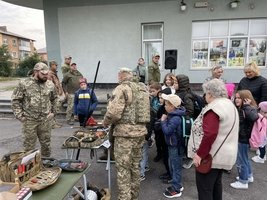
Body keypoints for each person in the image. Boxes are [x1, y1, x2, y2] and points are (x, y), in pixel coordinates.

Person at [187, 79, 239, 200]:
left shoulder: (214, 107)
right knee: (215, 186)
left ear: (210, 93)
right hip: (223, 154)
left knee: (205, 190)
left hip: (210, 156)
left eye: (205, 94)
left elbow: (210, 134)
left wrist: (199, 154)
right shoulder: (229, 104)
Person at [103, 68, 149, 200]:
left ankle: (124, 198)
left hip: (124, 136)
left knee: (123, 169)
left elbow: (114, 113)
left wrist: (105, 122)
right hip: (140, 134)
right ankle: (134, 197)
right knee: (135, 167)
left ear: (121, 76)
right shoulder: (143, 89)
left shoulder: (122, 88)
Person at [11, 62, 58, 157]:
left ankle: (46, 165)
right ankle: (30, 169)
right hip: (29, 121)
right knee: (29, 147)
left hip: (45, 120)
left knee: (46, 145)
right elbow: (15, 100)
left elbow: (55, 98)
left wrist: (53, 112)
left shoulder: (50, 84)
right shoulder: (24, 84)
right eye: (43, 74)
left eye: (47, 74)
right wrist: (20, 116)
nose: (46, 76)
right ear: (36, 72)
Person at [230, 90, 258, 189]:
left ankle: (243, 181)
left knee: (241, 160)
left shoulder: (248, 109)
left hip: (243, 139)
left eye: (239, 98)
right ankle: (249, 175)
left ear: (246, 99)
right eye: (236, 97)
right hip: (243, 138)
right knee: (245, 158)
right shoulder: (243, 108)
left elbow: (254, 117)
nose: (237, 100)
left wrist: (246, 106)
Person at [160, 94, 186, 198]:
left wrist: (163, 121)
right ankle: (177, 184)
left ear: (172, 106)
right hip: (173, 145)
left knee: (176, 167)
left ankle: (176, 189)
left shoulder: (175, 118)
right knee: (174, 166)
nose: (165, 106)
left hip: (175, 146)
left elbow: (167, 131)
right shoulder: (173, 115)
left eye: (166, 104)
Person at [175, 74, 195, 169]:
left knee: (185, 142)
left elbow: (190, 111)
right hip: (179, 122)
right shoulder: (178, 93)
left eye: (176, 82)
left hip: (183, 124)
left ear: (181, 84)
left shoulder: (186, 95)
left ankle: (189, 159)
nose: (173, 84)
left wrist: (178, 113)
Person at [47, 60, 64, 128]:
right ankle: (52, 124)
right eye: (55, 65)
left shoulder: (54, 73)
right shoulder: (49, 74)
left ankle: (54, 122)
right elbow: (50, 85)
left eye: (57, 65)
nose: (56, 66)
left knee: (55, 108)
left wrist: (61, 90)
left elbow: (57, 83)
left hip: (57, 93)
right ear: (51, 65)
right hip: (53, 94)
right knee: (53, 109)